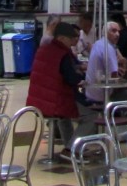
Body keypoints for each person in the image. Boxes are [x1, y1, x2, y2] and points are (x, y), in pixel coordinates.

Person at [26, 20, 95, 157]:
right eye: (71, 38)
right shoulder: (61, 53)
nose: (73, 41)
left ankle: (69, 145)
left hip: (39, 100)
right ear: (62, 38)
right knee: (91, 115)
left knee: (65, 117)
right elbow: (71, 78)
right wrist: (83, 78)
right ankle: (71, 149)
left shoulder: (44, 49)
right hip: (54, 100)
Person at [85, 21, 127, 106]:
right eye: (113, 31)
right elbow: (114, 77)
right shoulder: (108, 48)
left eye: (118, 31)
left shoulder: (98, 44)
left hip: (91, 92)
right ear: (105, 33)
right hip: (103, 95)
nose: (117, 34)